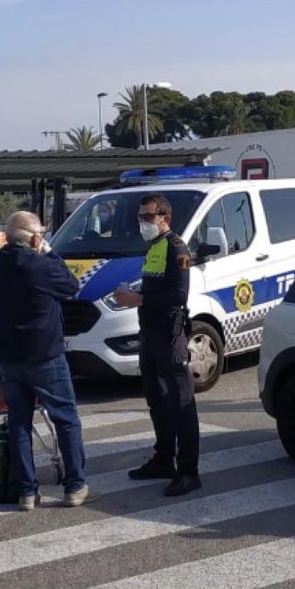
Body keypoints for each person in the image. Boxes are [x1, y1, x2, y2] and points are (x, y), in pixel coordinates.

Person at [0, 211, 90, 510]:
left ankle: (27, 492)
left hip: (8, 356)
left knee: (19, 422)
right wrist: (50, 253)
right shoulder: (40, 265)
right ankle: (75, 486)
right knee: (65, 419)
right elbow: (70, 285)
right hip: (44, 354)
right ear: (36, 237)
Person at [112, 193, 202, 497]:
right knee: (156, 399)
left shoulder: (177, 247)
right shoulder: (154, 247)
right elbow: (153, 286)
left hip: (169, 334)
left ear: (164, 217)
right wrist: (130, 294)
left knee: (181, 404)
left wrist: (137, 299)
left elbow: (179, 295)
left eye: (147, 217)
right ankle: (164, 459)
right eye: (140, 217)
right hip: (149, 334)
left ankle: (189, 472)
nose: (142, 222)